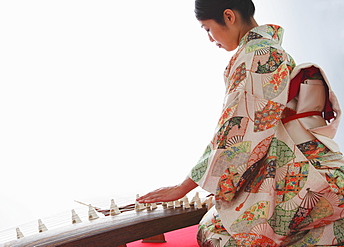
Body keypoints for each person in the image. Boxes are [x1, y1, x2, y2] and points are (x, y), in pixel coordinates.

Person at [137, 0, 344, 246]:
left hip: (306, 177)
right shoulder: (274, 50)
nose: (210, 39)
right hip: (319, 167)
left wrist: (183, 187)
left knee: (213, 232)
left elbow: (238, 133)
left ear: (228, 16)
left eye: (207, 29)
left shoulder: (257, 54)